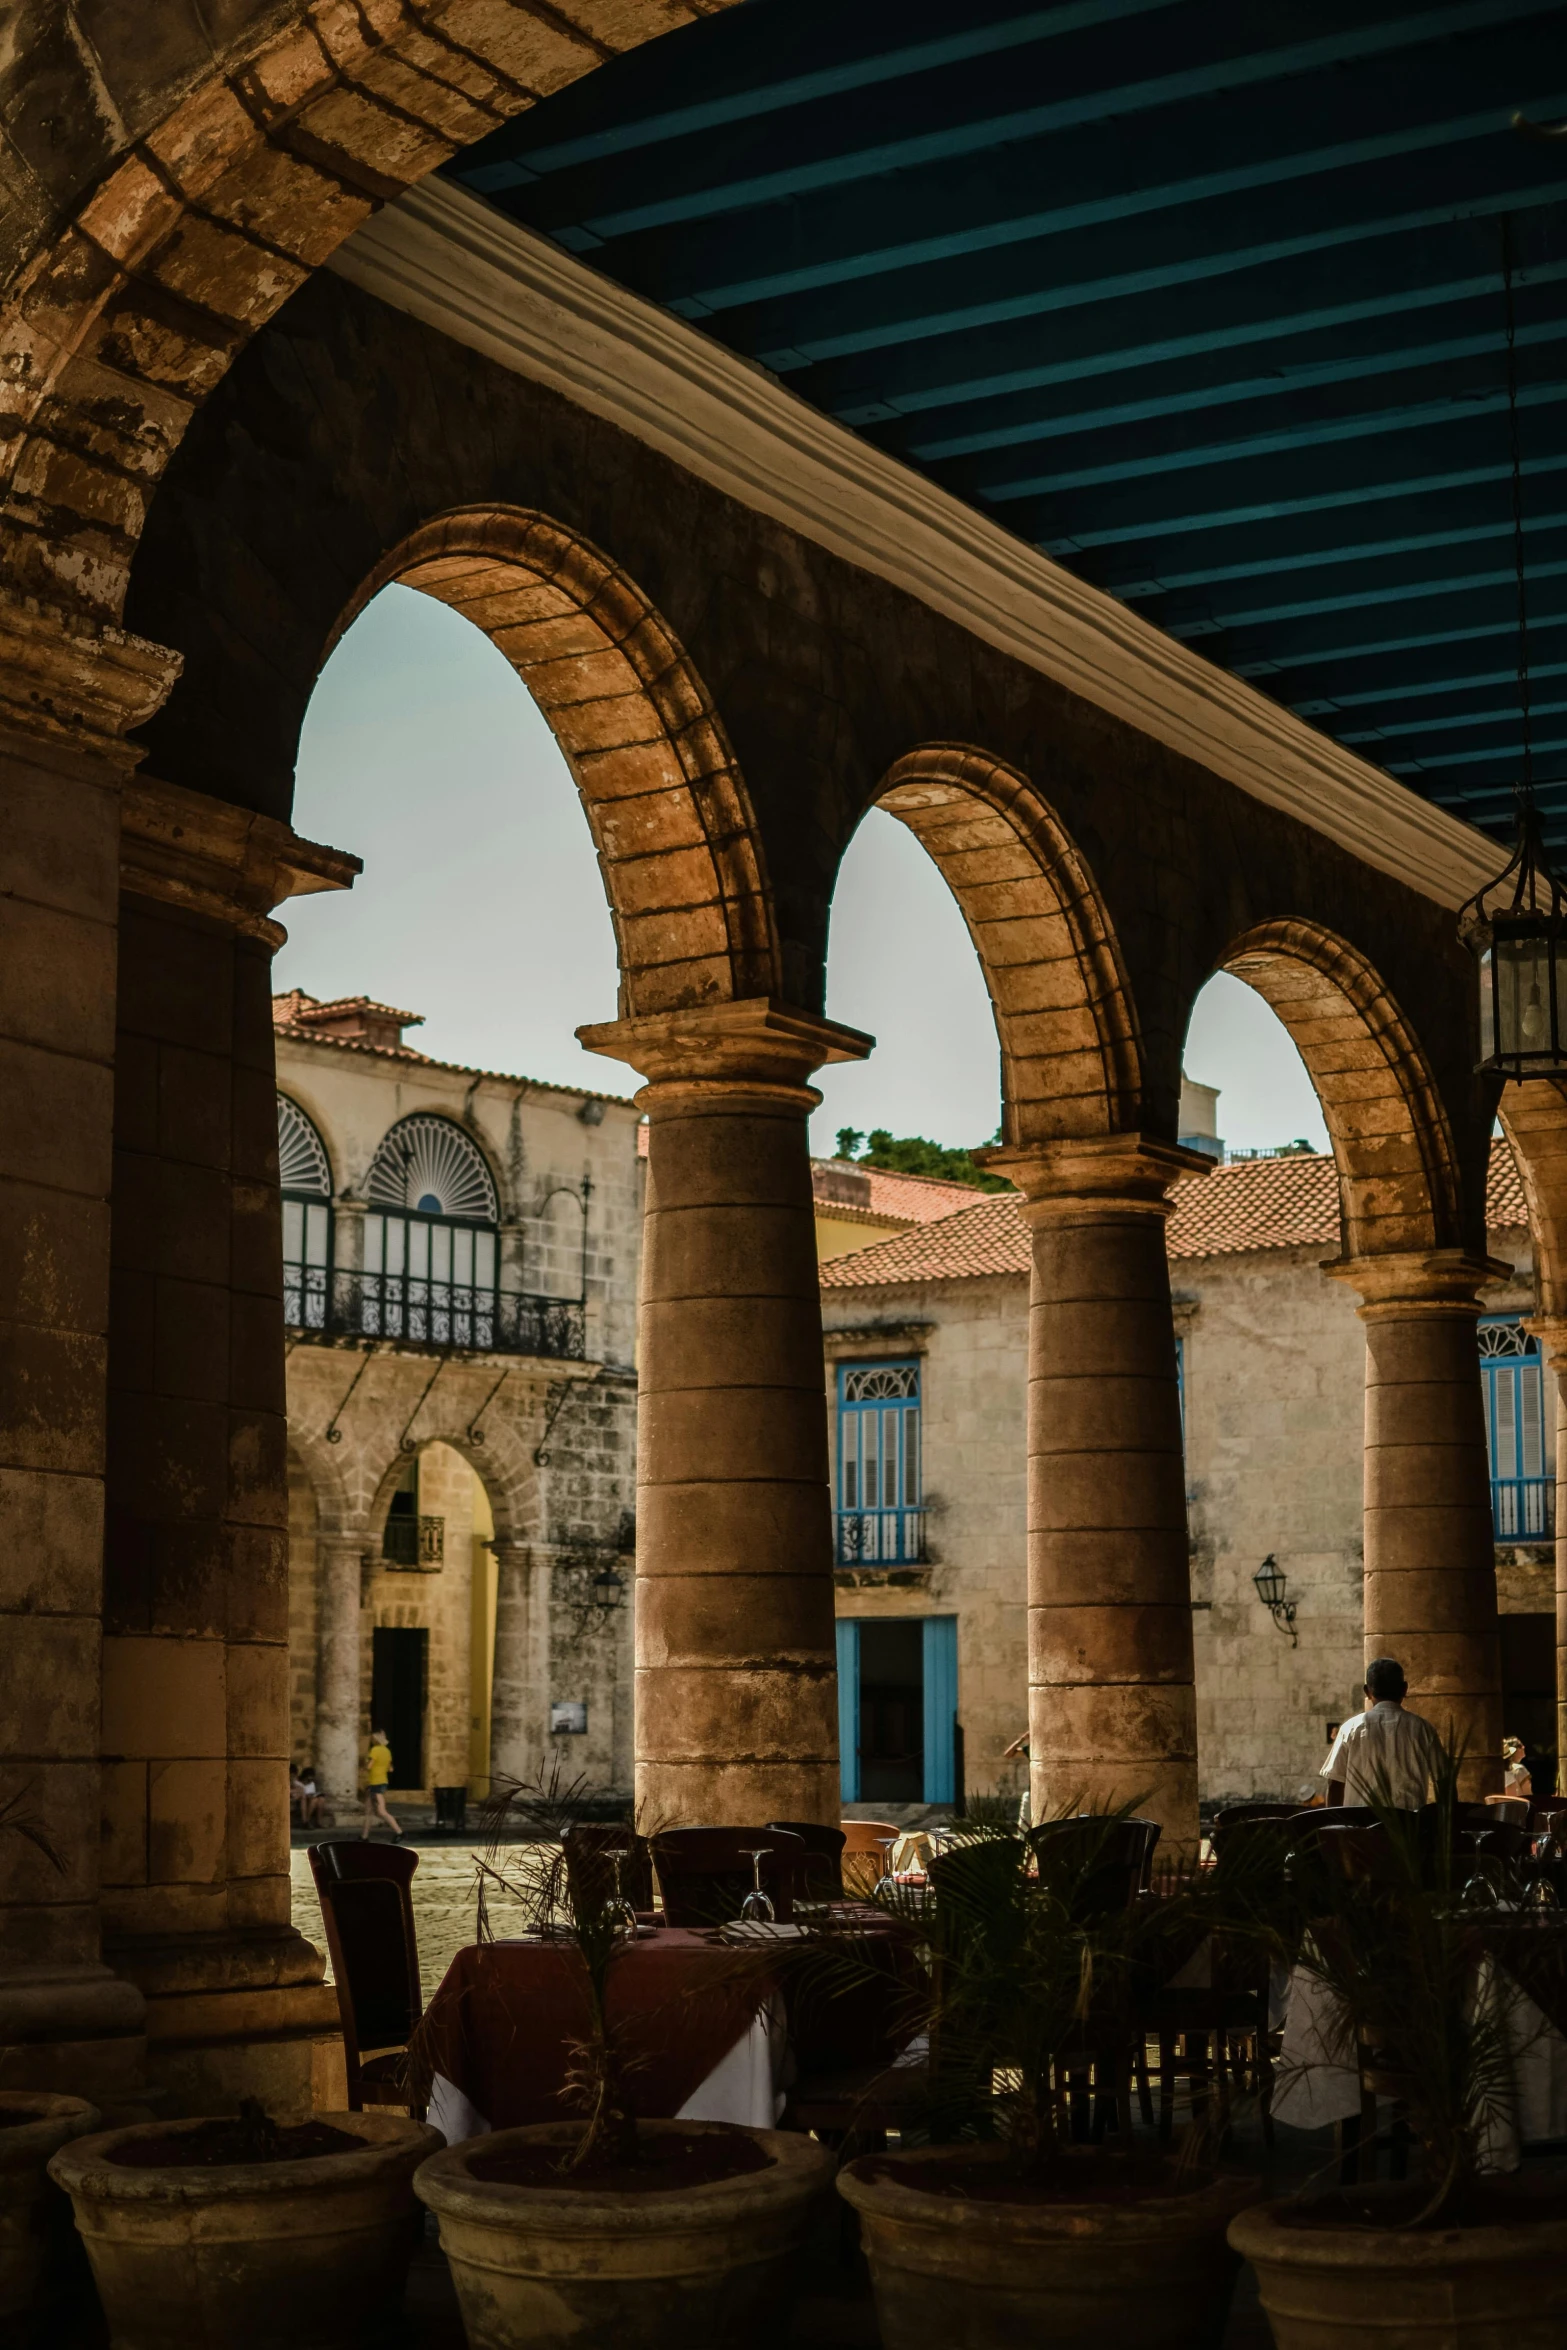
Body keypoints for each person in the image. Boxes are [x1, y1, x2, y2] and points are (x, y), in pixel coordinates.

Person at [1320, 1657, 1444, 1810]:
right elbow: (1445, 1783)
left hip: (1361, 1829)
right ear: (1404, 1689)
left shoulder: (1350, 1729)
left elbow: (1335, 1784)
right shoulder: (1423, 1729)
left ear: (1367, 1691)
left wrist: (1335, 1827)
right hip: (1409, 1831)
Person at [361, 1727, 401, 1840]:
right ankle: (364, 1836)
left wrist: (366, 1763)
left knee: (381, 1811)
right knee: (368, 1811)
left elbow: (369, 1766)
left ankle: (399, 1832)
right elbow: (391, 1769)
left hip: (376, 1783)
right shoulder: (387, 1751)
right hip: (381, 1782)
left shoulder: (375, 1750)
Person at [290, 1763, 324, 1828]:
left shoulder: (311, 1784)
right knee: (313, 1800)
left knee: (321, 1799)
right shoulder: (297, 1782)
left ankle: (318, 1822)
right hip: (301, 1799)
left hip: (307, 1798)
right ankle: (306, 1821)